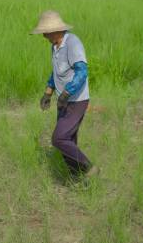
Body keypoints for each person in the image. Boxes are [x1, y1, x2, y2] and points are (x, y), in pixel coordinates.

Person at [31, 10, 97, 177]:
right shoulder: (55, 47)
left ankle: (90, 169)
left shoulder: (73, 43)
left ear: (56, 31)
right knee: (69, 140)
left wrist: (67, 93)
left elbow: (82, 72)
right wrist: (48, 93)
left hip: (77, 101)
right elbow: (56, 72)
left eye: (46, 33)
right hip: (64, 100)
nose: (44, 36)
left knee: (59, 138)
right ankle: (76, 177)